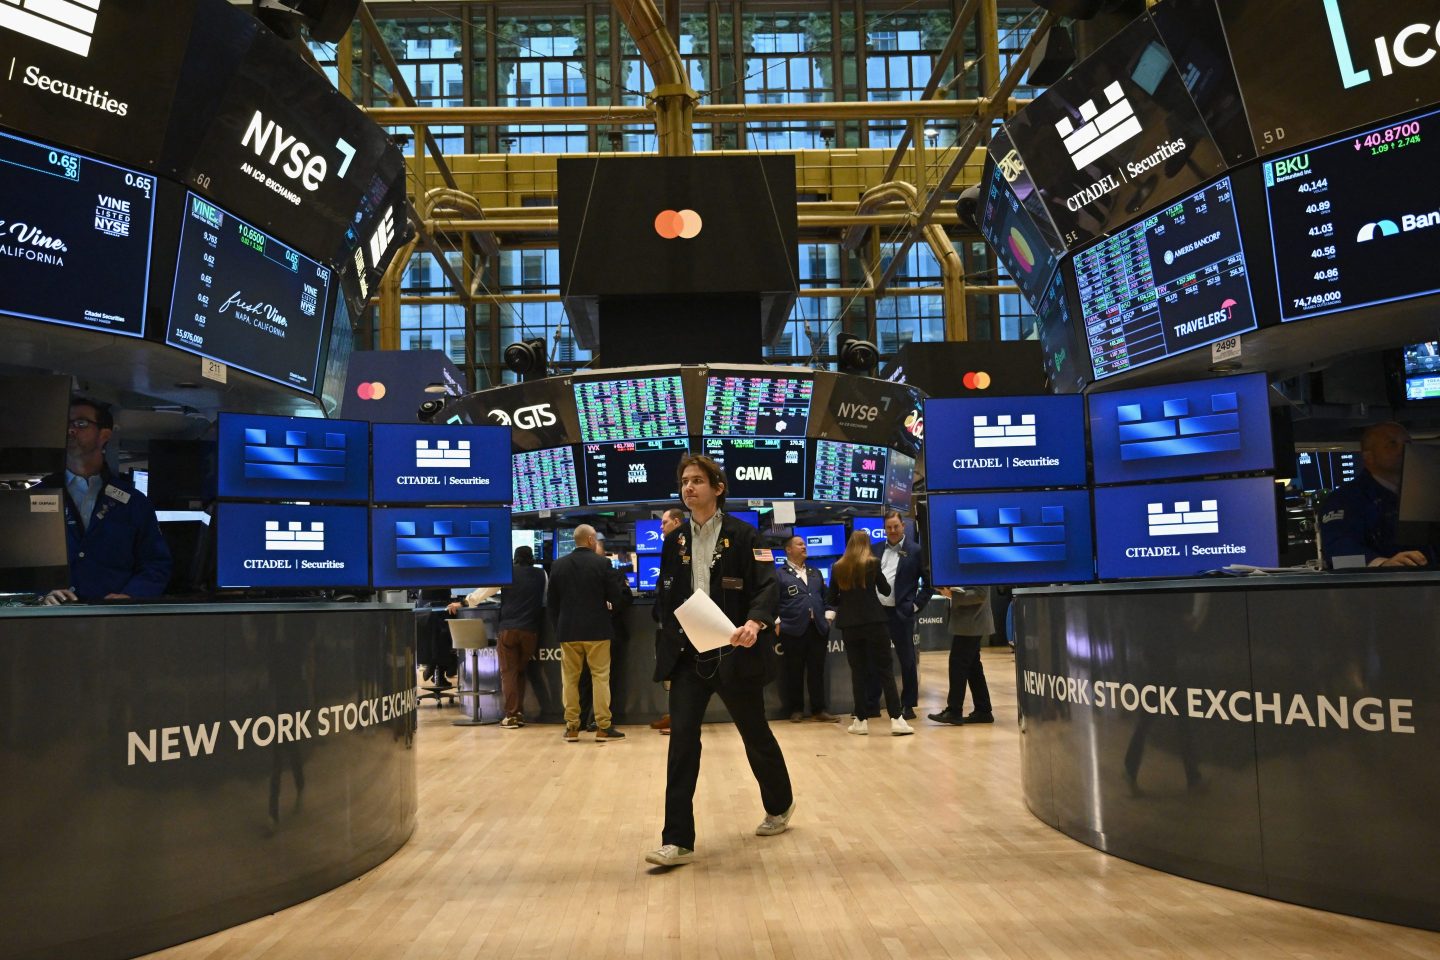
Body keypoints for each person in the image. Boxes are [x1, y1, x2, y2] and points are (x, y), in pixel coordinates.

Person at [646, 455, 793, 868]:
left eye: (697, 481)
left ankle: (780, 804)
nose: (688, 488)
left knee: (755, 735)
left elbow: (767, 588)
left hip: (735, 652)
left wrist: (755, 622)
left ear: (718, 488)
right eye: (684, 482)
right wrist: (670, 625)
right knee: (682, 743)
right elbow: (666, 595)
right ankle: (676, 839)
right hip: (689, 656)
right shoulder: (674, 542)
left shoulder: (748, 536)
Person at [42, 397, 171, 605]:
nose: (70, 430)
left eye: (81, 423)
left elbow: (156, 564)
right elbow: (16, 564)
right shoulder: (37, 496)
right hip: (48, 619)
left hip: (112, 620)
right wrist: (41, 594)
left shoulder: (134, 503)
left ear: (104, 435)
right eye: (65, 424)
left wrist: (130, 596)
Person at [448, 545, 547, 728]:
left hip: (508, 629)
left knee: (508, 673)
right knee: (520, 671)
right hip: (530, 631)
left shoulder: (507, 574)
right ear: (532, 558)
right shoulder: (542, 575)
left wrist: (462, 603)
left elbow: (482, 593)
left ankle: (511, 715)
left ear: (514, 559)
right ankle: (519, 713)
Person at [547, 524, 628, 742]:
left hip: (568, 631)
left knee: (570, 680)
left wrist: (559, 626)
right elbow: (617, 597)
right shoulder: (602, 563)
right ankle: (603, 727)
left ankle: (572, 727)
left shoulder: (558, 565)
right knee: (600, 678)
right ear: (591, 540)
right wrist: (609, 613)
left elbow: (551, 603)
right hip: (597, 630)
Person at [827, 530, 912, 737]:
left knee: (858, 672)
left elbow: (832, 598)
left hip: (850, 625)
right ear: (866, 544)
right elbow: (884, 590)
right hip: (875, 621)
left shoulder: (838, 567)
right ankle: (897, 719)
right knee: (885, 670)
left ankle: (861, 721)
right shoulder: (873, 563)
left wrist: (847, 600)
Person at [1320, 421, 1436, 568]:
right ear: (1369, 457)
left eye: (1408, 443)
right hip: (1378, 588)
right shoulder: (1343, 500)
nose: (1404, 449)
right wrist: (1381, 564)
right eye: (1392, 444)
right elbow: (1338, 553)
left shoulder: (1426, 493)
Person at [868, 510, 932, 719]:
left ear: (903, 526)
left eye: (896, 526)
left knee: (907, 660)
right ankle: (872, 704)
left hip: (901, 613)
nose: (893, 531)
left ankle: (908, 705)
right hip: (878, 613)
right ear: (884, 529)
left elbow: (929, 583)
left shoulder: (916, 551)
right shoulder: (875, 549)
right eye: (889, 527)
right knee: (877, 659)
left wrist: (914, 606)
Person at [775, 534, 837, 723]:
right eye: (799, 544)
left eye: (804, 544)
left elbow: (828, 599)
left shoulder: (815, 572)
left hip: (817, 628)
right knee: (794, 671)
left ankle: (819, 710)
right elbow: (772, 601)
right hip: (792, 629)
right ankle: (796, 709)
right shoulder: (780, 574)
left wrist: (828, 618)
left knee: (817, 671)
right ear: (788, 549)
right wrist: (777, 623)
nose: (804, 547)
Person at [927, 587, 995, 725]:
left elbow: (980, 594)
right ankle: (983, 710)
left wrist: (952, 595)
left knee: (958, 664)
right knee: (972, 667)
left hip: (972, 622)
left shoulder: (977, 564)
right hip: (969, 622)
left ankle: (954, 711)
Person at [650, 506, 686, 734]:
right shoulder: (670, 544)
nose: (661, 527)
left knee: (681, 672)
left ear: (676, 522)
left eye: (664, 522)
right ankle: (675, 715)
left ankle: (680, 719)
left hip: (682, 621)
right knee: (673, 672)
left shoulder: (683, 544)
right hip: (669, 621)